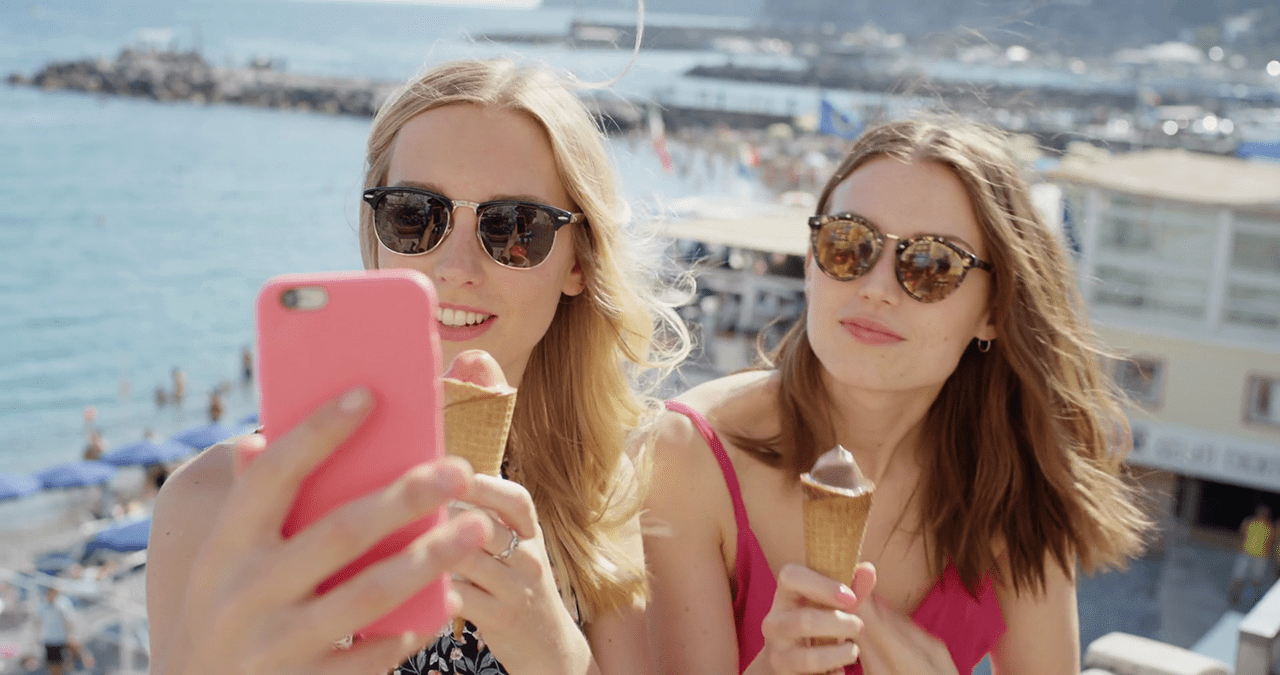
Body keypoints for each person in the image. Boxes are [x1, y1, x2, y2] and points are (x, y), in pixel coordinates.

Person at [146, 58, 688, 675]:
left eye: (514, 227)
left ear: (578, 263)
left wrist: (554, 654)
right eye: (413, 214)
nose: (455, 266)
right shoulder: (214, 503)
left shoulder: (602, 497)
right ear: (374, 233)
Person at [644, 117, 1151, 675]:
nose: (877, 288)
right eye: (848, 243)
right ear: (812, 263)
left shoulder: (1015, 483)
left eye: (932, 264)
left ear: (995, 311)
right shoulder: (687, 455)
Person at [34, 585, 93, 675]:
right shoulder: (42, 605)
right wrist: (37, 635)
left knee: (64, 660)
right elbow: (38, 621)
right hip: (49, 639)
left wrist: (70, 634)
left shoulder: (62, 604)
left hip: (60, 637)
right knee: (53, 664)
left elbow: (68, 620)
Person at [1231, 504, 1273, 604]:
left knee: (1257, 580)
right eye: (1261, 512)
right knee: (1239, 576)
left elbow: (1271, 542)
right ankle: (1234, 596)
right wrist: (1240, 548)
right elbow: (1241, 535)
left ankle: (1256, 600)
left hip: (1261, 556)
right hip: (1246, 553)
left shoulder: (1270, 527)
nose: (1262, 514)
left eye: (1264, 513)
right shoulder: (1249, 522)